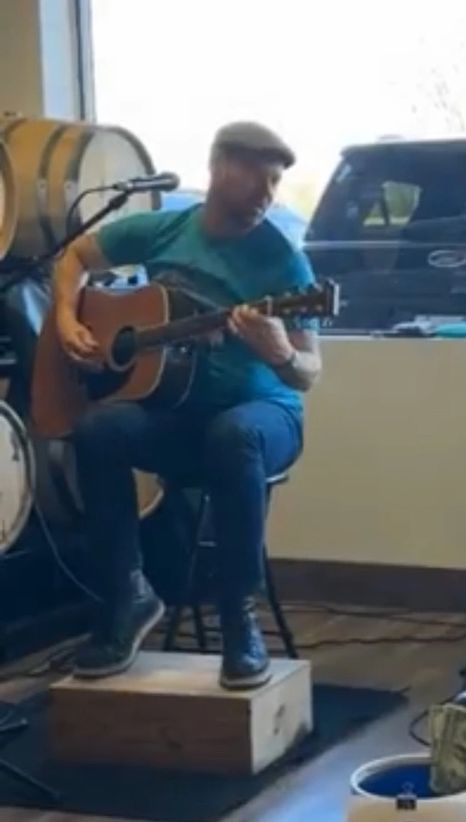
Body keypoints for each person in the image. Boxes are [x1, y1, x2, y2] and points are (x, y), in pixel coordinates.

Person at [51, 121, 323, 690]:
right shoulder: (165, 230)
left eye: (275, 182)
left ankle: (237, 619)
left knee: (233, 436)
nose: (267, 194)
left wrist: (279, 354)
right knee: (98, 429)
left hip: (264, 414)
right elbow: (75, 256)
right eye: (255, 176)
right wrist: (69, 319)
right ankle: (128, 596)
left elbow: (307, 374)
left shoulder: (284, 264)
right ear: (219, 166)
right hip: (178, 413)